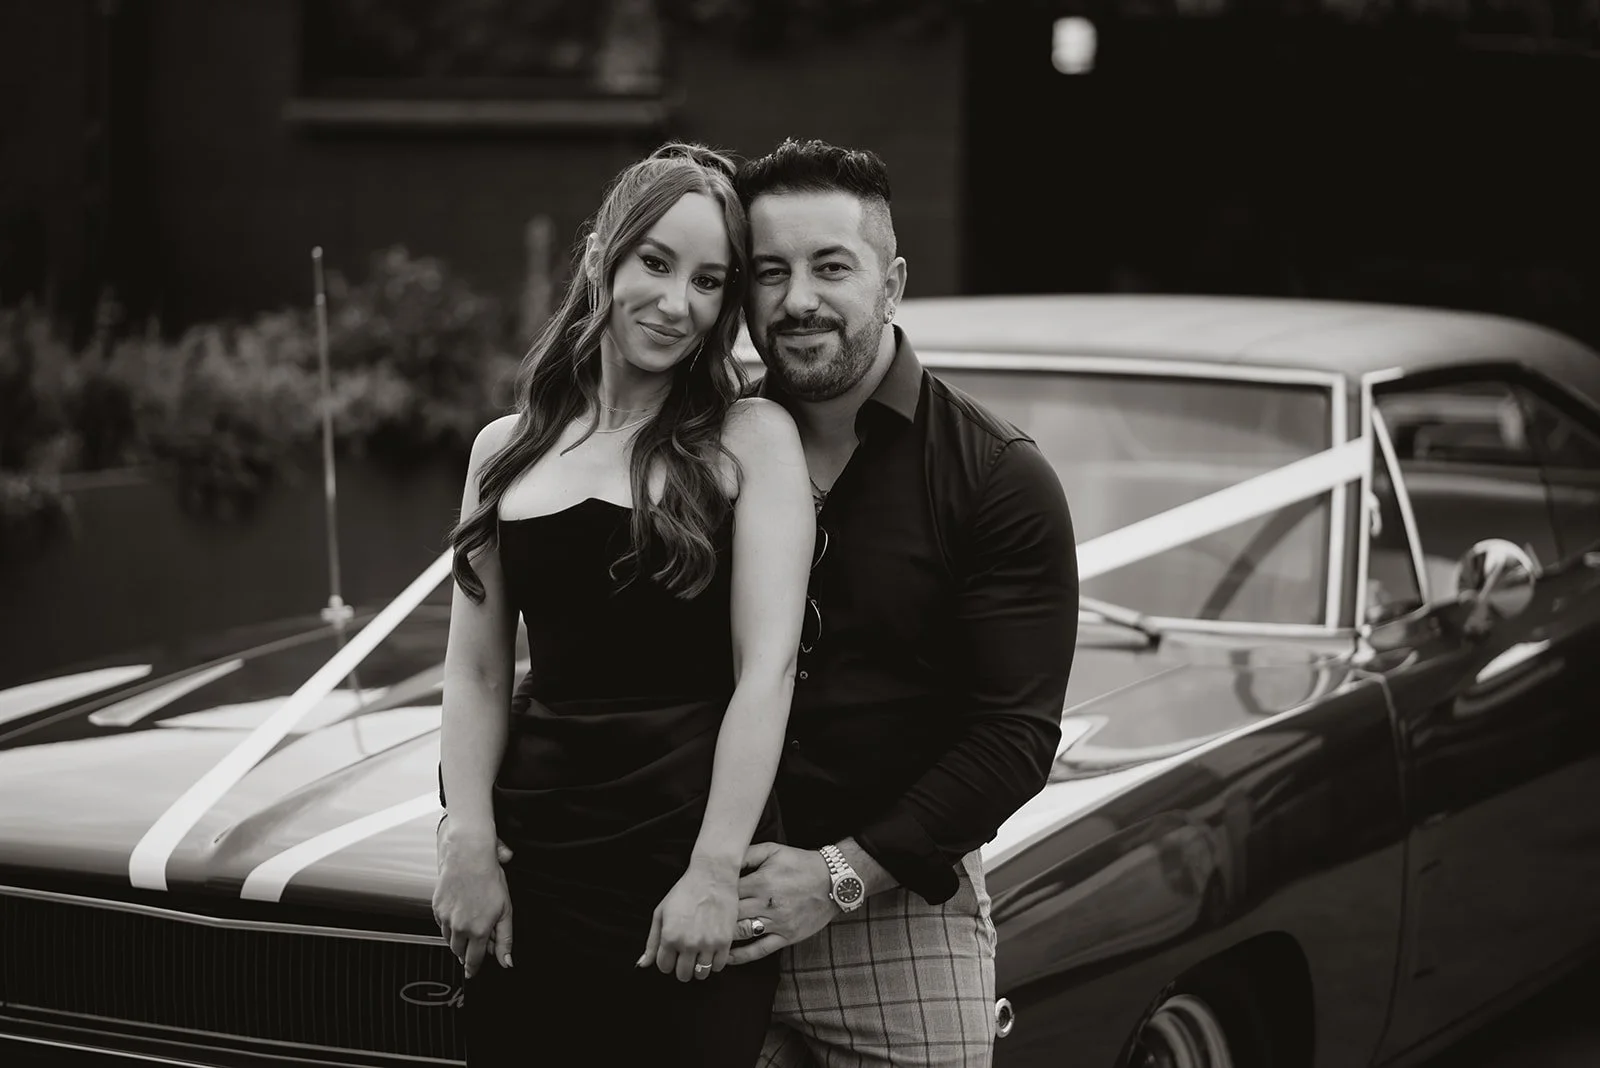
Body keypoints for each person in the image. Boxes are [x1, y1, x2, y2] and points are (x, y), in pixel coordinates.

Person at [430, 142, 814, 1066]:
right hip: (531, 865)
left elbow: (768, 670)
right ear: (602, 249)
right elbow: (478, 670)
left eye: (710, 280)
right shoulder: (504, 450)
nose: (677, 302)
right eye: (656, 261)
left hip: (681, 861)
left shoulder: (751, 436)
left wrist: (716, 870)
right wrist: (469, 838)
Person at [725, 138, 1080, 1066]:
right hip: (701, 904)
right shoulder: (696, 460)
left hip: (895, 916)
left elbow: (1013, 738)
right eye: (771, 271)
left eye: (831, 267)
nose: (797, 299)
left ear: (893, 282)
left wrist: (838, 877)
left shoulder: (997, 478)